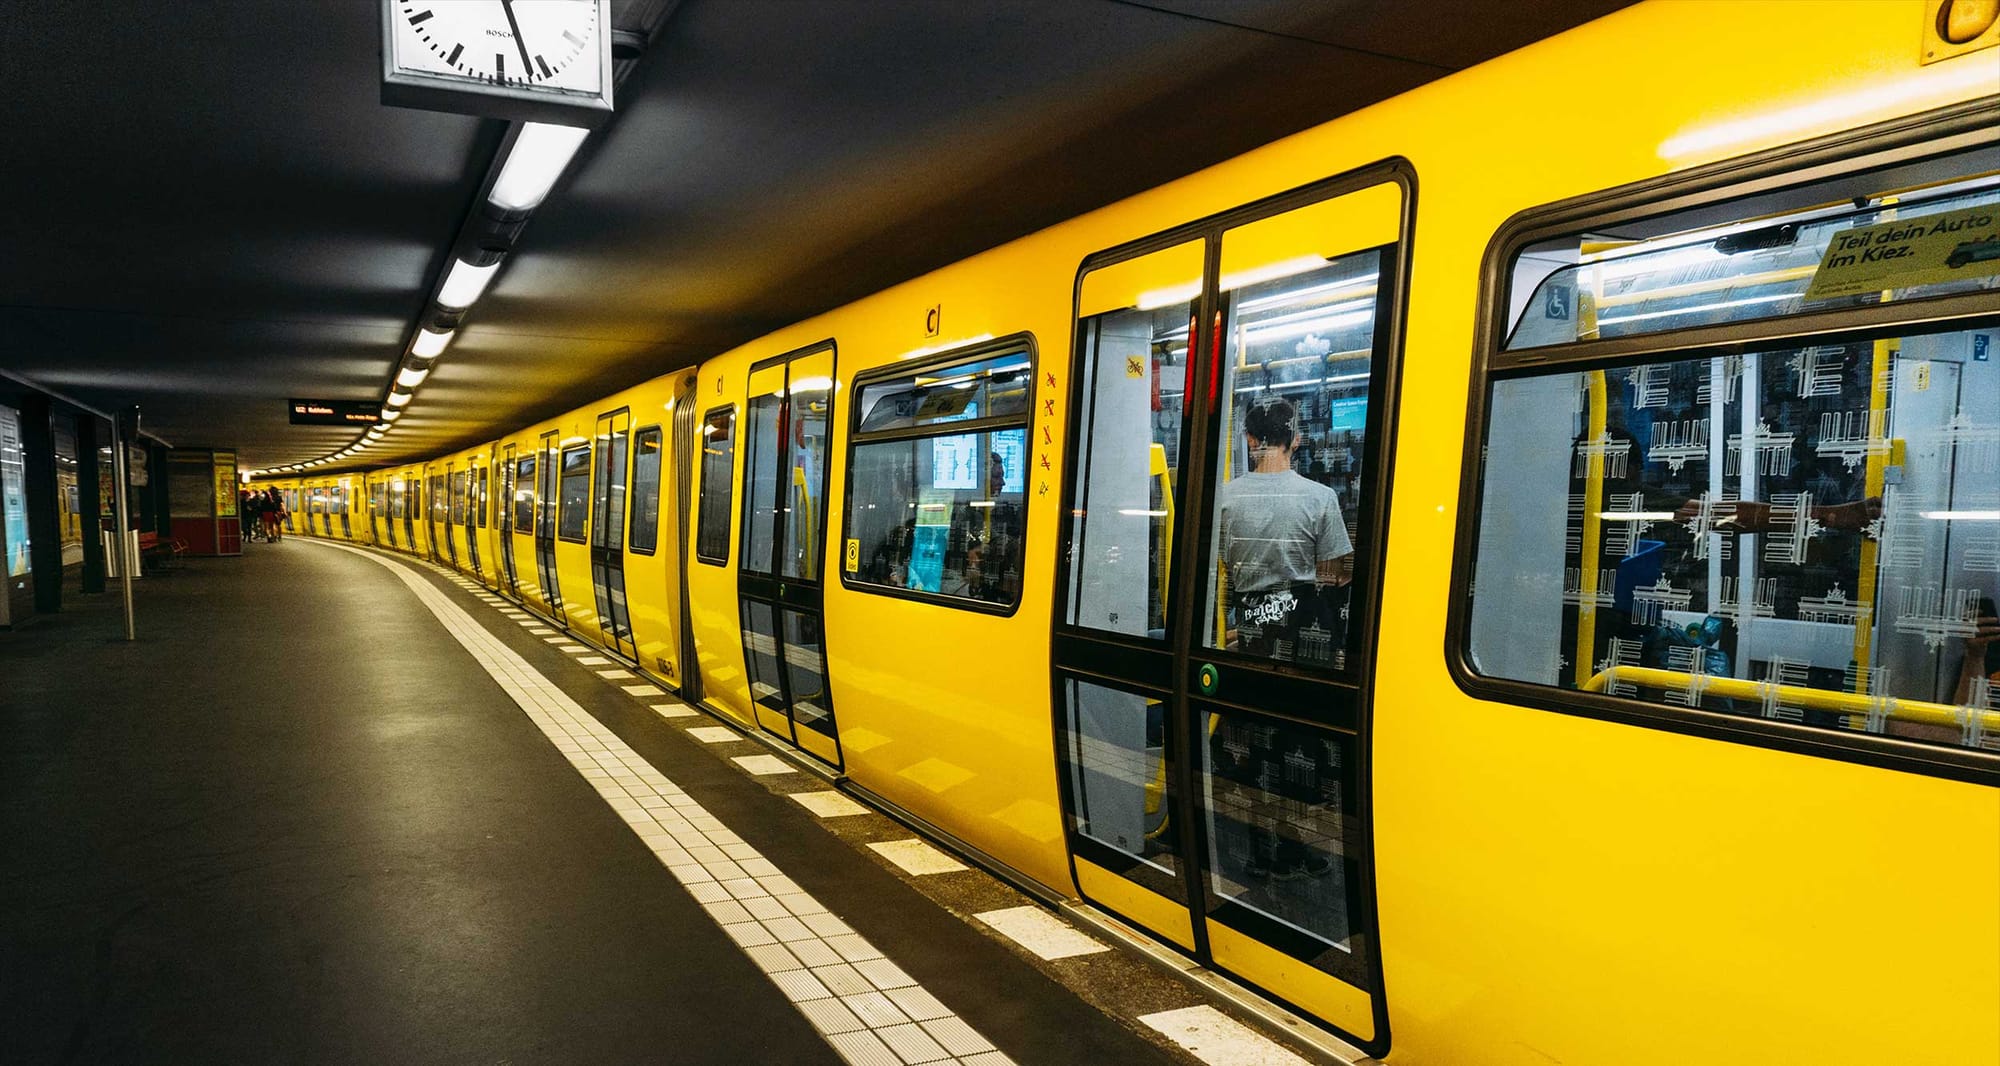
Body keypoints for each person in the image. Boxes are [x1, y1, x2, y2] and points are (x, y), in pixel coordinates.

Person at [1214, 399, 1353, 664]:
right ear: (1296, 440)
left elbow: (1226, 564)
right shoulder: (1321, 498)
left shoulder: (1223, 499)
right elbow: (1333, 575)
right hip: (1306, 634)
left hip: (1252, 624)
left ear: (1251, 440)